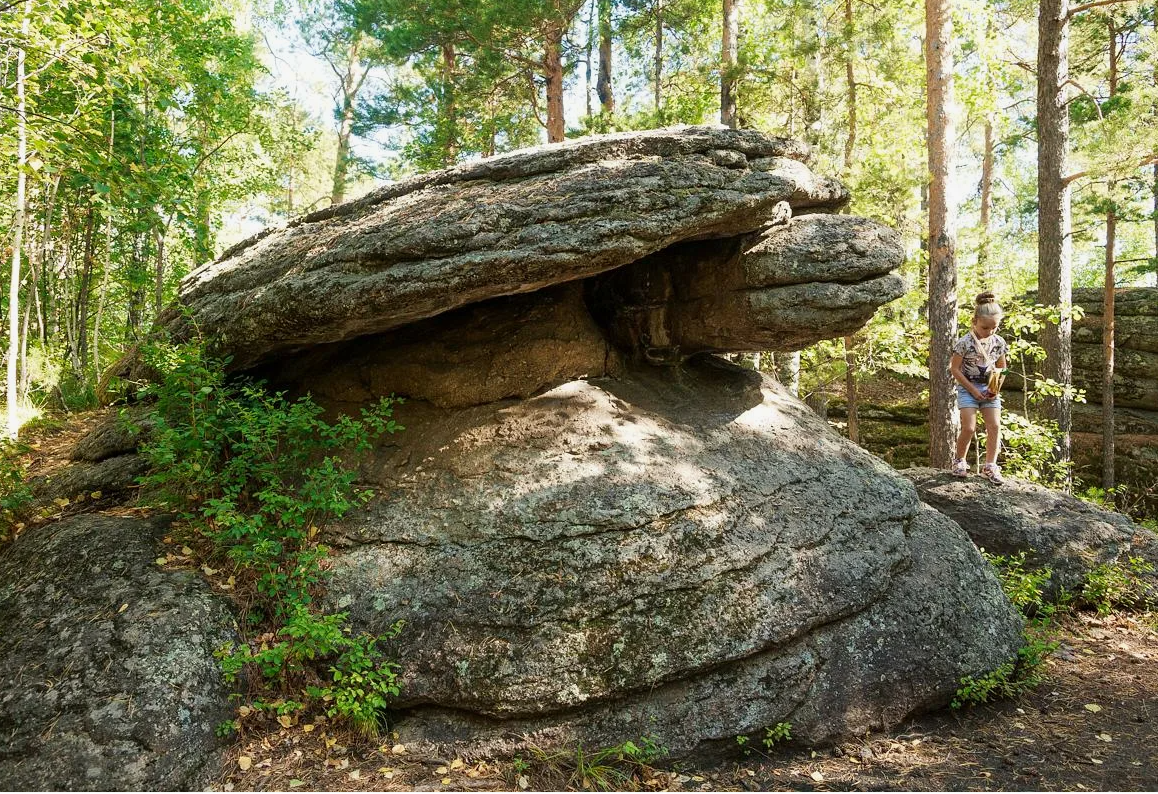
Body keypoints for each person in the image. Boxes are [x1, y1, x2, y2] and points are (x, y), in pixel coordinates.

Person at [949, 291, 1008, 484]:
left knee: (995, 425)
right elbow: (954, 369)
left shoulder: (998, 342)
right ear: (974, 321)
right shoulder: (964, 343)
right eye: (985, 327)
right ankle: (959, 461)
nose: (990, 331)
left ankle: (990, 466)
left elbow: (1002, 367)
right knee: (969, 427)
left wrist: (995, 388)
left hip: (989, 388)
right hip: (968, 389)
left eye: (994, 327)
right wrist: (973, 390)